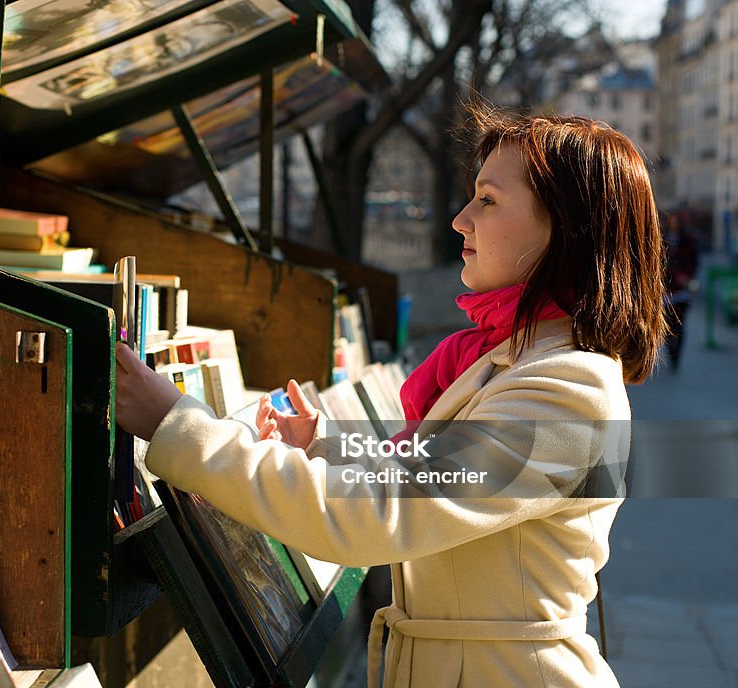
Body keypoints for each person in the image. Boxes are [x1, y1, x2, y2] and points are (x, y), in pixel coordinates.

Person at [114, 107, 665, 687]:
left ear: (565, 230)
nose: (460, 220)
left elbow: (375, 516)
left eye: (488, 200)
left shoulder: (568, 390)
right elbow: (433, 478)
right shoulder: (524, 360)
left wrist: (178, 423)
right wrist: (326, 446)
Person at [662, 211, 700, 371]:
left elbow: (694, 261)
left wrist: (687, 276)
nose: (674, 223)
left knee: (680, 326)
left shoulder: (688, 240)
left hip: (682, 291)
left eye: (676, 221)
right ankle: (670, 351)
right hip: (664, 292)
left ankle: (676, 357)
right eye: (672, 220)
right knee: (665, 327)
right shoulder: (661, 239)